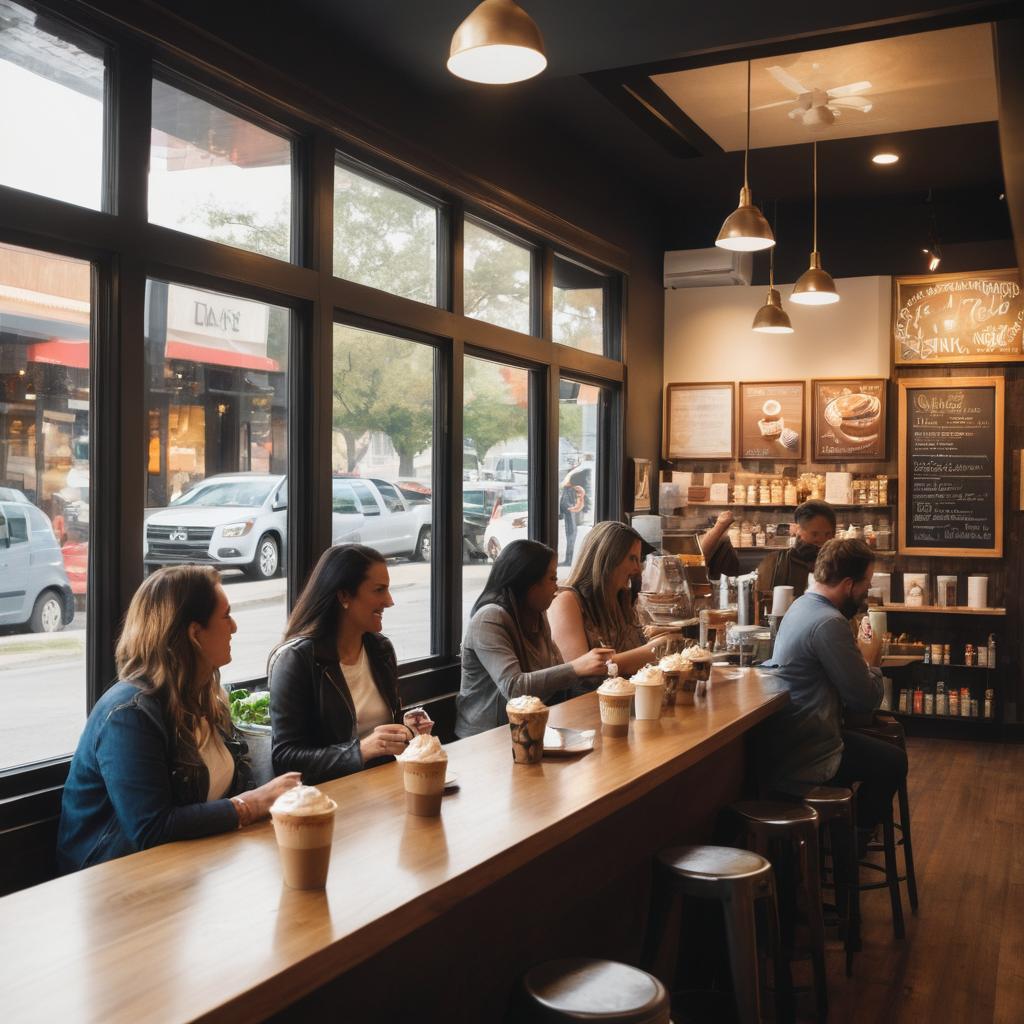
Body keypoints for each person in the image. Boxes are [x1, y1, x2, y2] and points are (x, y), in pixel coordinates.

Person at [56, 566, 300, 873]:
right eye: (226, 616)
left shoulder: (204, 698)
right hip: (113, 883)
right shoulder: (129, 714)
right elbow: (151, 829)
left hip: (188, 869)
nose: (234, 627)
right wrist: (251, 804)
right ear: (195, 633)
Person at [759, 538, 907, 846]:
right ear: (849, 584)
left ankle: (842, 838)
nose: (866, 593)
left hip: (788, 741)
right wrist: (871, 659)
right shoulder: (829, 622)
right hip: (810, 753)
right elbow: (864, 700)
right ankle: (851, 842)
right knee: (893, 761)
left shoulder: (801, 605)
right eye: (865, 586)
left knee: (883, 755)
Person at [269, 543, 430, 783]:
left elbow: (382, 736)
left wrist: (408, 729)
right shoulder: (297, 660)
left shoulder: (380, 649)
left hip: (385, 787)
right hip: (329, 801)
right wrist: (360, 751)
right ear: (344, 595)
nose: (389, 601)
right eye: (379, 590)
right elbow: (285, 760)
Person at [456, 539, 613, 737]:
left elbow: (554, 679)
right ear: (529, 582)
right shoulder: (489, 618)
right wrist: (577, 667)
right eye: (552, 578)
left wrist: (595, 673)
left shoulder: (537, 614)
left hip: (529, 729)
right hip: (484, 739)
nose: (557, 588)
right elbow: (514, 688)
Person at [548, 520, 664, 684]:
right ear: (607, 559)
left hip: (622, 699)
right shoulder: (567, 601)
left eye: (638, 560)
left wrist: (658, 639)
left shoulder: (621, 598)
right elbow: (582, 675)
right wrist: (652, 650)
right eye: (632, 559)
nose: (638, 569)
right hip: (583, 704)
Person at [756, 499, 836, 602]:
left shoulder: (837, 563)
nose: (821, 540)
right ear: (798, 530)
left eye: (827, 534)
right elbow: (761, 600)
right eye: (814, 534)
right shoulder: (776, 562)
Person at [559, 471, 586, 566]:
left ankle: (569, 560)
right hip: (571, 515)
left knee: (571, 537)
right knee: (571, 537)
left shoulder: (570, 489)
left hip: (571, 516)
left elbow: (566, 503)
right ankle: (569, 560)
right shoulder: (571, 489)